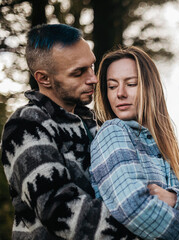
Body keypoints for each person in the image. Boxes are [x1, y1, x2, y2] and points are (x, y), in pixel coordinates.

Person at [1, 24, 138, 239]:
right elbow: (60, 210)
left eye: (91, 67)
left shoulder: (98, 125)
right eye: (78, 73)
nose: (93, 78)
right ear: (44, 78)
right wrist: (145, 230)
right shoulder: (26, 126)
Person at [90, 46, 179, 240]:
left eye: (130, 84)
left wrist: (174, 199)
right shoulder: (113, 132)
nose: (120, 93)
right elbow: (135, 208)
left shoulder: (162, 146)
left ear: (150, 87)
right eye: (112, 86)